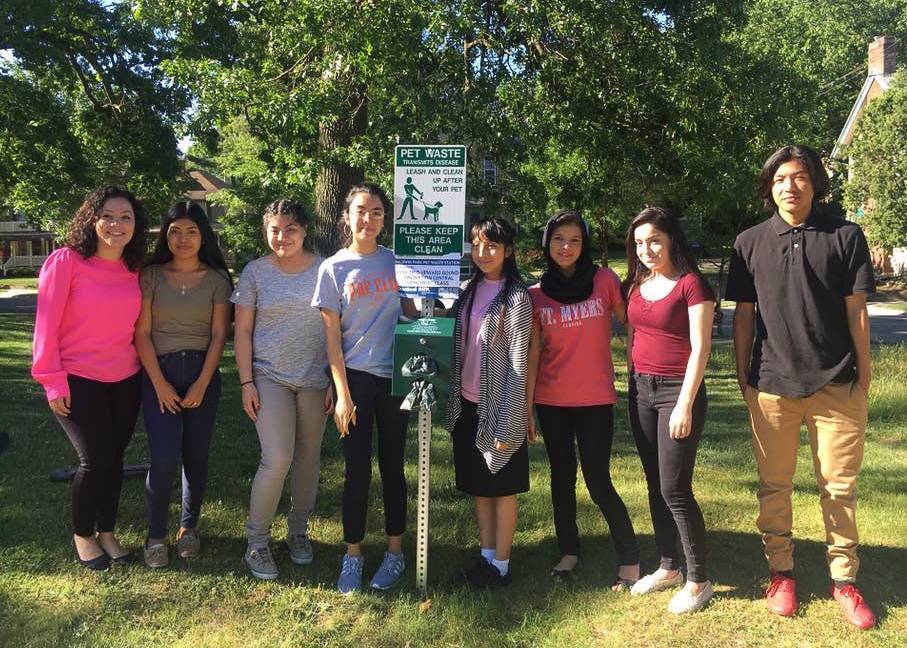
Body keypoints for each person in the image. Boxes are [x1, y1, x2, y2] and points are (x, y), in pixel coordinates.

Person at [727, 144, 876, 630]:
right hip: (771, 385)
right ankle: (781, 572)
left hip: (837, 383)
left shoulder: (846, 235)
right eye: (780, 179)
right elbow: (744, 316)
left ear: (815, 182)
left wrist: (865, 374)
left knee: (839, 487)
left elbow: (857, 310)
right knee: (775, 485)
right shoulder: (748, 243)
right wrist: (744, 377)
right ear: (769, 187)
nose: (790, 186)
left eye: (800, 177)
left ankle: (844, 580)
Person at [32, 186, 147, 570]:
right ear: (91, 219)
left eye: (125, 217)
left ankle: (107, 532)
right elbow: (46, 326)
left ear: (135, 225)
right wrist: (52, 380)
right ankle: (83, 534)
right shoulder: (66, 261)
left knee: (114, 459)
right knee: (95, 459)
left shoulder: (134, 271)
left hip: (126, 379)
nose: (116, 224)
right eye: (108, 216)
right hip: (77, 377)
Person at [527, 209, 640, 586]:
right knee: (561, 478)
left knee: (597, 478)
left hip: (594, 400)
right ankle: (568, 551)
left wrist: (636, 368)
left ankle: (629, 556)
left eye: (575, 240)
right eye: (559, 239)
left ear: (584, 244)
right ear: (548, 243)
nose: (566, 247)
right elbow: (532, 353)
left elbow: (632, 325)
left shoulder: (605, 280)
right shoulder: (536, 294)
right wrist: (526, 408)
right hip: (551, 401)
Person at [313, 182, 415, 594]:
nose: (368, 219)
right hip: (354, 379)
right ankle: (352, 555)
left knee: (394, 466)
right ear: (346, 216)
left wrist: (441, 299)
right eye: (360, 211)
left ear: (385, 219)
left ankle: (395, 551)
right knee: (356, 471)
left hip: (395, 378)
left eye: (376, 211)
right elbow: (332, 339)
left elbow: (413, 311)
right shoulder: (332, 268)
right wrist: (341, 393)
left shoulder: (398, 262)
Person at [232, 199, 332, 580]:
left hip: (315, 379)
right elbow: (241, 331)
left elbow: (335, 329)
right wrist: (246, 383)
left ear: (305, 230)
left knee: (308, 460)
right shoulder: (255, 273)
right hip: (269, 376)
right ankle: (256, 542)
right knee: (277, 459)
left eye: (290, 229)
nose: (282, 236)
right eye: (274, 229)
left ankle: (298, 532)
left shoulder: (325, 270)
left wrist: (335, 383)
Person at [623, 206, 715, 613]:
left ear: (672, 239)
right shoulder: (638, 284)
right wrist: (630, 379)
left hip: (678, 392)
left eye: (654, 240)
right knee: (654, 482)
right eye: (640, 243)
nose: (646, 249)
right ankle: (668, 566)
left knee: (674, 488)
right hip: (640, 390)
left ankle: (699, 581)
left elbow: (701, 348)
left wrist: (684, 404)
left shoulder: (692, 285)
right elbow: (634, 335)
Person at [134, 201, 232, 568]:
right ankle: (156, 534)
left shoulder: (218, 279)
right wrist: (158, 384)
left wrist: (203, 383)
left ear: (203, 234)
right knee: (162, 459)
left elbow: (221, 334)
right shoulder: (151, 275)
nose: (183, 238)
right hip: (159, 373)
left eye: (191, 230)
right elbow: (141, 333)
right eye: (174, 230)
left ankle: (188, 528)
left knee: (196, 457)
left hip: (202, 374)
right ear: (165, 234)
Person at [449, 216, 532, 588]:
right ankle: (484, 557)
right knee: (479, 486)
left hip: (500, 408)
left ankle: (502, 563)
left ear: (508, 251)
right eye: (477, 245)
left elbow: (518, 363)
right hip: (467, 405)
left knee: (503, 487)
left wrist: (511, 422)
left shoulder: (517, 298)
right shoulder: (467, 289)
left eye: (492, 246)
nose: (483, 253)